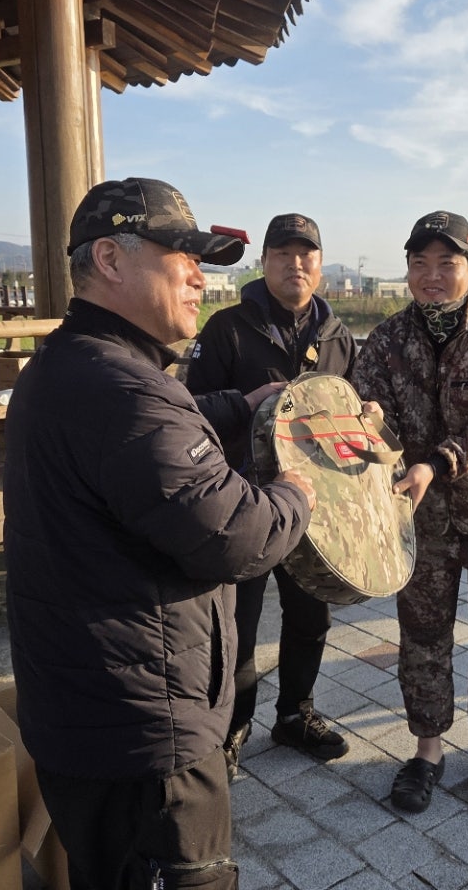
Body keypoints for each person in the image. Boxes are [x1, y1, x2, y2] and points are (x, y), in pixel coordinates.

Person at [4, 177, 316, 889]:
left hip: (85, 715)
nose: (201, 278)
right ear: (110, 259)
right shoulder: (126, 391)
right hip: (148, 737)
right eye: (184, 257)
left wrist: (242, 404)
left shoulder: (68, 364)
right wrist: (298, 492)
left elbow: (152, 444)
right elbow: (238, 535)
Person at [351, 211, 468, 814]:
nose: (431, 275)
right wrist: (370, 430)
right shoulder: (385, 340)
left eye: (446, 263)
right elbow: (370, 415)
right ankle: (427, 750)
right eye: (419, 263)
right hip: (419, 516)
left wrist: (436, 462)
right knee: (422, 636)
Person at [184, 213, 356, 778]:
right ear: (264, 263)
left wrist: (364, 421)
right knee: (238, 624)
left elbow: (351, 417)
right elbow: (190, 413)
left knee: (311, 615)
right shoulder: (227, 328)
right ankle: (232, 730)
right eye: (283, 254)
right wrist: (246, 403)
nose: (295, 264)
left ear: (320, 265)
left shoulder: (337, 336)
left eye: (306, 254)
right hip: (245, 503)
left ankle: (295, 714)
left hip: (314, 506)